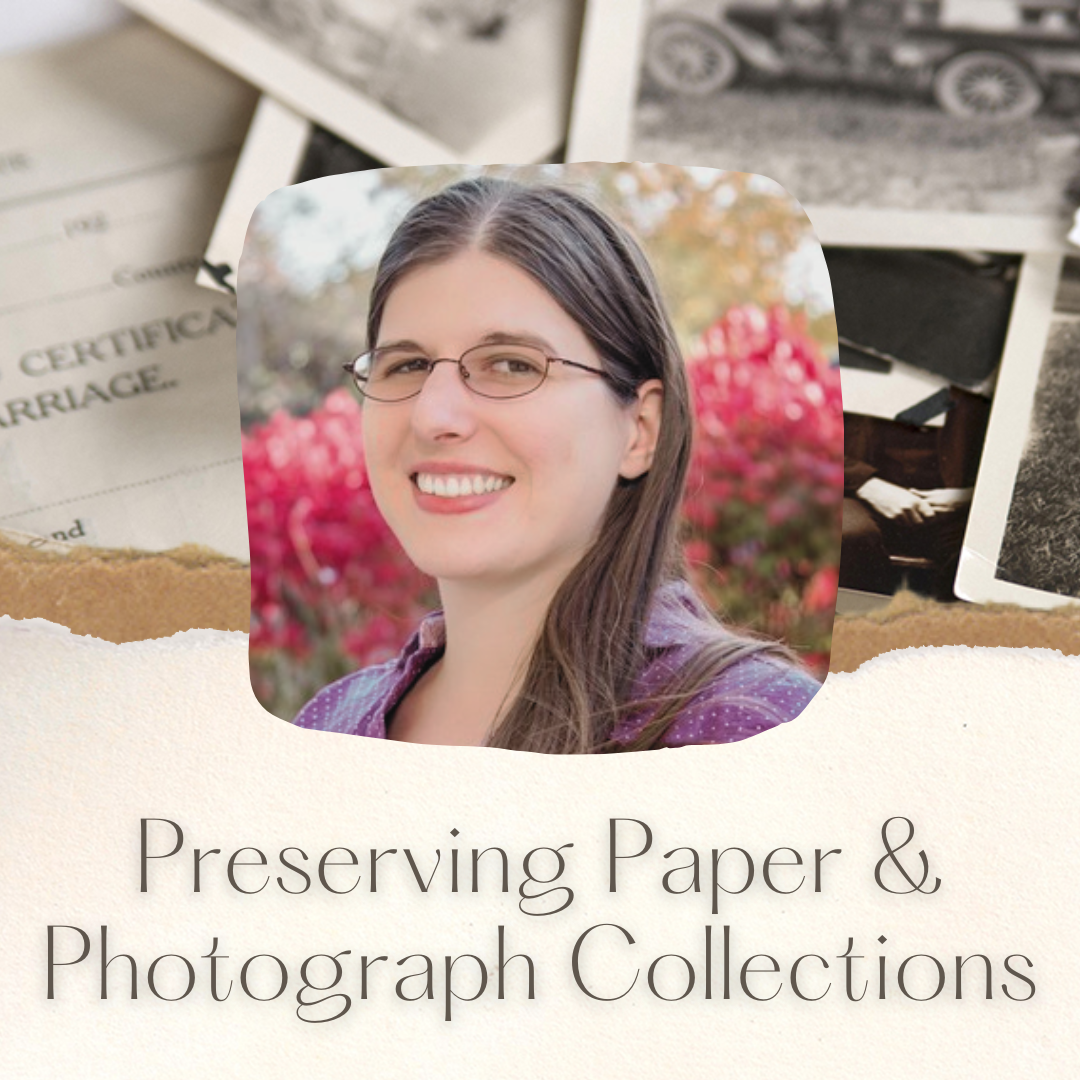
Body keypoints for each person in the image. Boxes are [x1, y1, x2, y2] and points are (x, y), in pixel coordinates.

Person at [293, 176, 822, 752]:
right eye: (409, 365)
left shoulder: (750, 727)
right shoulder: (328, 724)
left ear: (641, 429)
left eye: (512, 365)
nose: (433, 415)